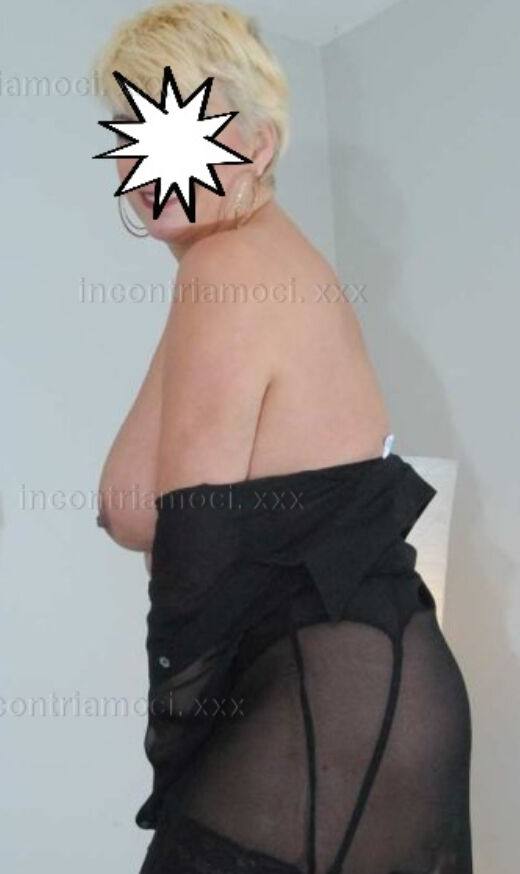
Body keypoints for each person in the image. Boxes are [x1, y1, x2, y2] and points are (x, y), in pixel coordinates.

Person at [94, 4, 473, 872]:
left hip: (327, 701)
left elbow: (193, 554)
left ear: (257, 145)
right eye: (129, 128)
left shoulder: (228, 268)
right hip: (373, 689)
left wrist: (175, 754)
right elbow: (143, 506)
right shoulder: (245, 262)